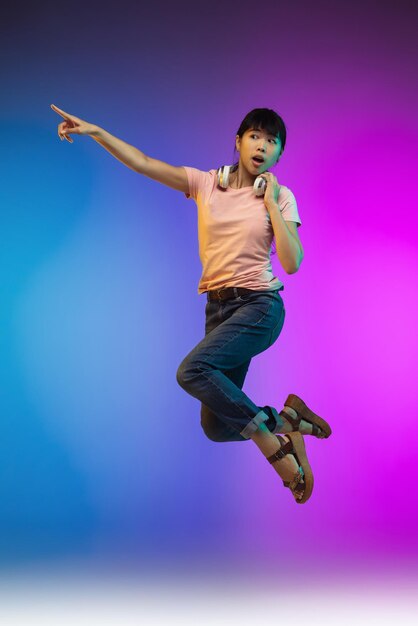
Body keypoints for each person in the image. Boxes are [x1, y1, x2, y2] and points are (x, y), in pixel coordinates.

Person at [50, 104, 332, 504]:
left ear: (278, 155)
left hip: (260, 307)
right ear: (238, 142)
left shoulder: (282, 197)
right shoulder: (205, 184)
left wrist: (270, 203)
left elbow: (292, 262)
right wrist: (97, 131)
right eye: (255, 136)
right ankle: (289, 420)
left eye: (272, 142)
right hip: (218, 310)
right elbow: (144, 163)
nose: (262, 146)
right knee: (216, 426)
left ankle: (275, 448)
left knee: (192, 370)